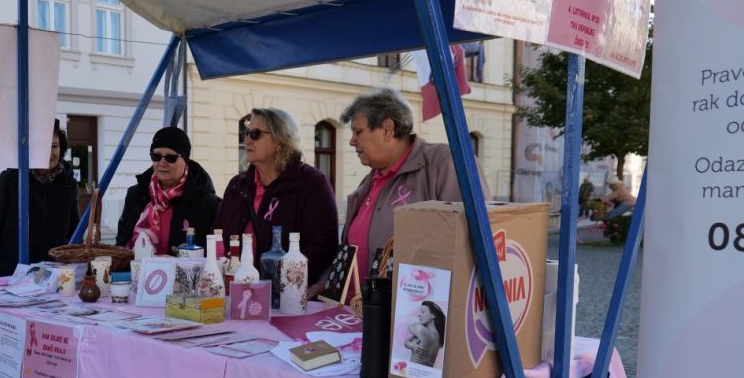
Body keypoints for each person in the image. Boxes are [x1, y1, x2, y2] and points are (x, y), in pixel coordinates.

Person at [307, 88, 487, 298]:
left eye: (358, 132)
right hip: (356, 310)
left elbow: (472, 241)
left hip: (413, 310)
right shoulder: (371, 180)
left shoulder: (444, 162)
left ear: (387, 128)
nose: (352, 141)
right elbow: (351, 251)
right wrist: (325, 283)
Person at [214, 108, 338, 283]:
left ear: (280, 140)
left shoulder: (311, 183)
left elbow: (322, 246)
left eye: (255, 134)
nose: (247, 140)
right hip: (235, 289)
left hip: (288, 293)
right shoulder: (237, 185)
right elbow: (217, 236)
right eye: (246, 133)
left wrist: (284, 284)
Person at [0, 121, 79, 277]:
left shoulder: (68, 184)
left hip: (55, 277)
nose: (49, 153)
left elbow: (74, 232)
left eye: (54, 146)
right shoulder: (9, 180)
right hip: (12, 276)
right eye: (42, 147)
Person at [114, 126, 220, 253]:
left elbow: (215, 250)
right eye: (156, 156)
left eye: (170, 157)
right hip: (135, 265)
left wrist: (189, 254)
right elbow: (122, 241)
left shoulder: (206, 202)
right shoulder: (136, 194)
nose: (162, 163)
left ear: (185, 160)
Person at [405, 301, 445, 366]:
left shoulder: (421, 329)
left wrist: (409, 344)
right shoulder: (438, 336)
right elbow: (408, 341)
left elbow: (410, 327)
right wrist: (410, 344)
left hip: (414, 369)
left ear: (433, 315)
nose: (419, 315)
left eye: (423, 312)